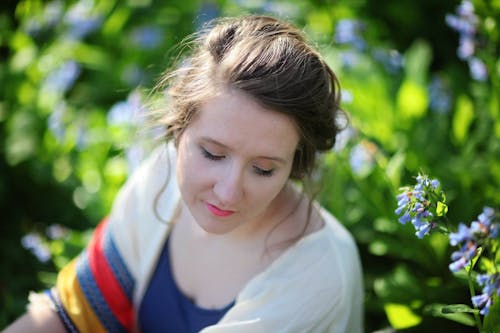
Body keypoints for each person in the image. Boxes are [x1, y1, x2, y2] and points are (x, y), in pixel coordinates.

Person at [3, 15, 363, 333]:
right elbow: (73, 314)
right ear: (179, 128)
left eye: (264, 169)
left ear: (296, 161)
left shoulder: (317, 272)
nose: (228, 192)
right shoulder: (160, 177)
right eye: (212, 153)